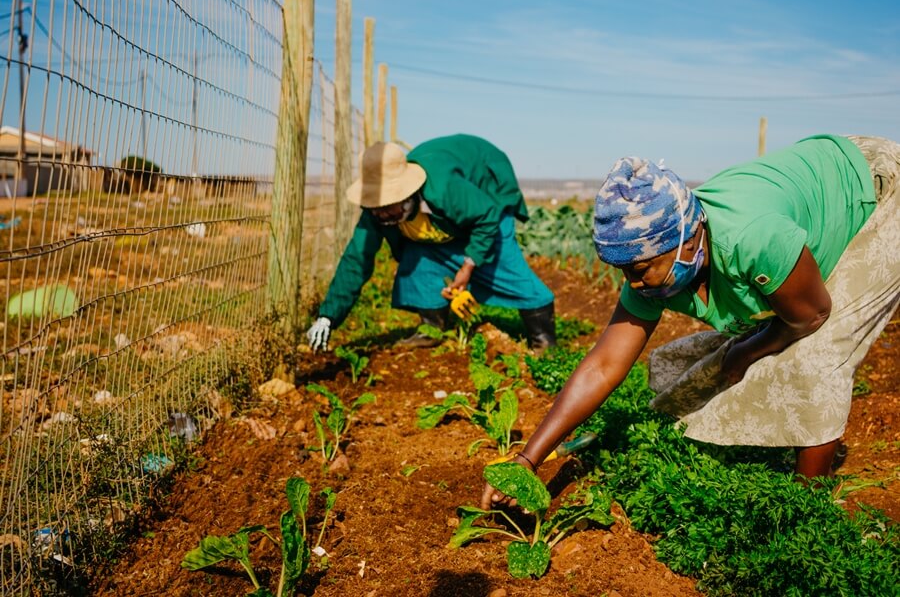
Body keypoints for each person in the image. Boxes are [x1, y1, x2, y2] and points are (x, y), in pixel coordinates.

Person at [482, 134, 900, 508]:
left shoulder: (752, 238)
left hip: (878, 189)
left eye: (641, 267)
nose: (633, 282)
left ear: (687, 237)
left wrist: (746, 349)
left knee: (814, 354)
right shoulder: (652, 270)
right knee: (750, 342)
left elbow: (814, 314)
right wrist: (526, 459)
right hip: (817, 190)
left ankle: (806, 508)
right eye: (623, 269)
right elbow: (603, 365)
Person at [306, 134, 557, 352]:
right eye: (376, 207)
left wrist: (468, 266)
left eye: (389, 205)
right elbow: (356, 259)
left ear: (408, 193)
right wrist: (328, 318)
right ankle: (432, 328)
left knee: (501, 260)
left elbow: (486, 215)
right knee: (418, 257)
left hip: (486, 192)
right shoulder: (377, 213)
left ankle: (543, 339)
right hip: (456, 207)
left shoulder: (444, 189)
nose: (382, 214)